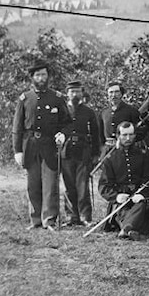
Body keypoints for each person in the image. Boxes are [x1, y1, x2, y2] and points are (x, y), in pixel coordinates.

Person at [12, 61, 71, 231]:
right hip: (30, 146)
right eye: (37, 75)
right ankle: (36, 220)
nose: (41, 78)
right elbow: (17, 127)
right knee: (33, 184)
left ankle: (49, 220)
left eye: (44, 74)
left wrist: (63, 134)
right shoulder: (25, 99)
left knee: (50, 184)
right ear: (32, 78)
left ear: (48, 77)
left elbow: (67, 123)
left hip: (50, 146)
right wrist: (17, 150)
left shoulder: (57, 98)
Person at [98, 121, 149, 240]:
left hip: (138, 195)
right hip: (121, 199)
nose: (128, 138)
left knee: (141, 204)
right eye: (124, 135)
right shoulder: (110, 158)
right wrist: (116, 196)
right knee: (123, 209)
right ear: (118, 136)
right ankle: (130, 229)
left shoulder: (142, 154)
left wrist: (142, 194)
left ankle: (126, 229)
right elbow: (104, 186)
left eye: (131, 135)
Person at [59, 80, 101, 227]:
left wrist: (96, 154)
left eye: (78, 91)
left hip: (83, 152)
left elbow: (96, 134)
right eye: (72, 91)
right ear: (67, 93)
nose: (75, 94)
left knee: (82, 186)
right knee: (69, 185)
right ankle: (71, 217)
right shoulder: (62, 110)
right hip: (66, 151)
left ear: (82, 93)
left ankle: (85, 217)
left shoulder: (89, 112)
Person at [99, 82, 142, 147]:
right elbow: (100, 133)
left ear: (121, 94)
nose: (113, 95)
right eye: (111, 92)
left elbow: (140, 131)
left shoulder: (131, 111)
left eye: (116, 92)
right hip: (108, 150)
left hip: (126, 148)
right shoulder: (104, 112)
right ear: (107, 94)